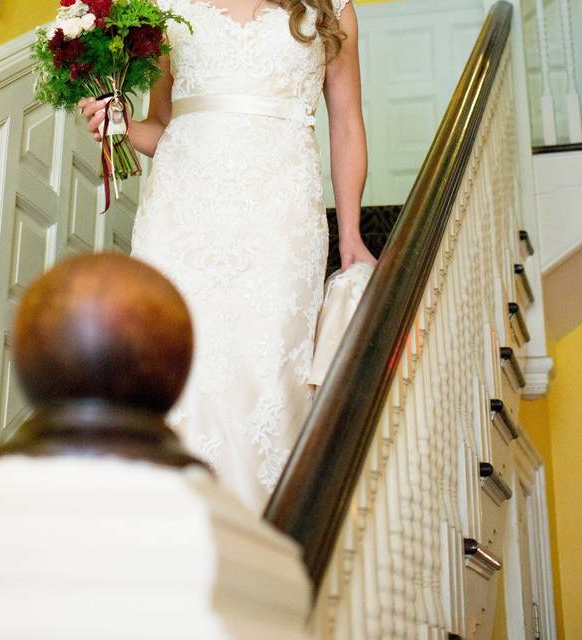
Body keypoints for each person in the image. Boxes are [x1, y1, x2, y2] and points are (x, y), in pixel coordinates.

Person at [79, 0, 375, 513]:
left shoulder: (330, 9)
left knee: (265, 375)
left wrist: (349, 231)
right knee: (172, 366)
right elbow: (164, 126)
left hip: (278, 222)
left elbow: (346, 124)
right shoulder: (168, 9)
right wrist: (121, 123)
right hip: (180, 216)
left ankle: (265, 536)